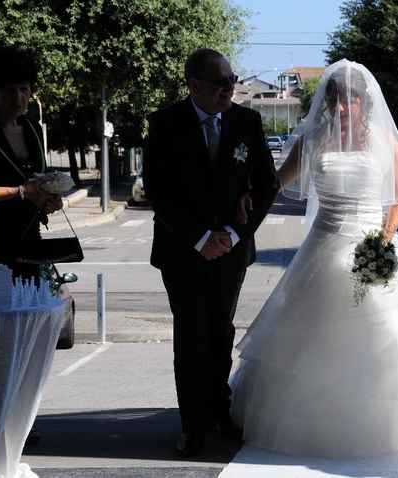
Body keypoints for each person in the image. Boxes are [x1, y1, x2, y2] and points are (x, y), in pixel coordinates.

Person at [229, 60, 398, 459]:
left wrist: (384, 240)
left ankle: (392, 425)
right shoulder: (313, 139)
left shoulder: (385, 139)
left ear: (363, 103)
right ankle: (312, 425)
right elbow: (278, 180)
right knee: (311, 334)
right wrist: (250, 193)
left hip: (371, 241)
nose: (344, 108)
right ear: (328, 103)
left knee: (390, 332)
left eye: (351, 100)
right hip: (323, 244)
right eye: (337, 101)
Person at [143, 48, 279, 457]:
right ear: (195, 85)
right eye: (220, 84)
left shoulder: (247, 121)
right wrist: (201, 238)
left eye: (232, 81)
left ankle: (220, 411)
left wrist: (234, 235)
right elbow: (158, 190)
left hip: (232, 251)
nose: (228, 90)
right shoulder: (165, 124)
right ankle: (193, 425)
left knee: (221, 331)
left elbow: (266, 184)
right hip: (183, 250)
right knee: (191, 336)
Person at [0, 46, 63, 279]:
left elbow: (37, 180)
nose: (18, 98)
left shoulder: (31, 128)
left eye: (24, 89)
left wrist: (48, 200)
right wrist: (21, 192)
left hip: (30, 242)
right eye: (9, 91)